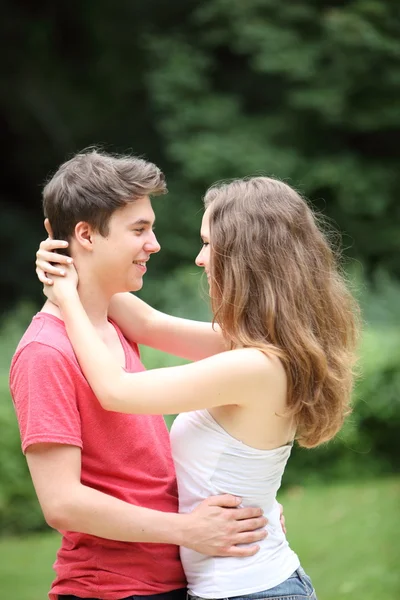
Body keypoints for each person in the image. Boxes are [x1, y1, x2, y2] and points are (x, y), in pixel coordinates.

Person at [36, 175, 360, 600]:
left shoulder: (253, 365)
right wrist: (74, 259)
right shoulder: (274, 346)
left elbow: (116, 390)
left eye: (209, 244)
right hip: (242, 584)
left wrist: (66, 293)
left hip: (251, 590)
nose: (200, 258)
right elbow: (149, 324)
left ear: (246, 258)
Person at [10, 150, 270, 600]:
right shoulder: (44, 352)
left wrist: (250, 511)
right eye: (139, 230)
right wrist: (189, 529)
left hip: (169, 579)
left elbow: (238, 342)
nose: (155, 244)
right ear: (86, 235)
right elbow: (62, 503)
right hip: (111, 589)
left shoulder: (114, 318)